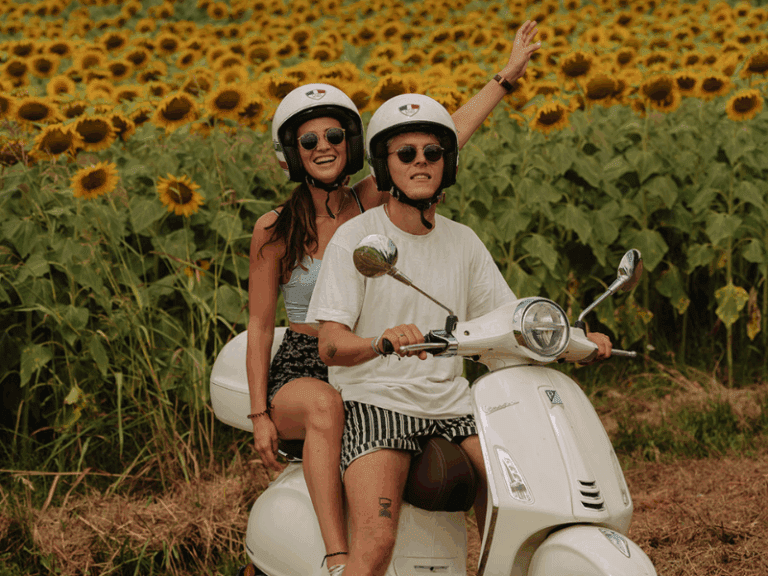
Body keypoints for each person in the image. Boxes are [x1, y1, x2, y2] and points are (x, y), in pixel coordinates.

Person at [247, 21, 543, 576]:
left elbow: (430, 143)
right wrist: (259, 412)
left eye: (335, 137)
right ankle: (338, 555)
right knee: (325, 406)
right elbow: (261, 325)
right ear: (292, 153)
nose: (324, 147)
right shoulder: (274, 228)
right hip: (310, 360)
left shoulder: (368, 203)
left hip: (385, 358)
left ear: (355, 147)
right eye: (310, 141)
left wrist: (504, 79)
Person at [305, 94, 613, 576]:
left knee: (525, 504)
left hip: (455, 405)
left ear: (446, 164)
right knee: (377, 541)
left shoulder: (463, 240)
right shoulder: (358, 239)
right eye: (406, 153)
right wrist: (381, 342)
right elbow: (330, 344)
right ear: (385, 166)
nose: (421, 162)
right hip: (378, 402)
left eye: (433, 153)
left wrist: (577, 340)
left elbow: (510, 319)